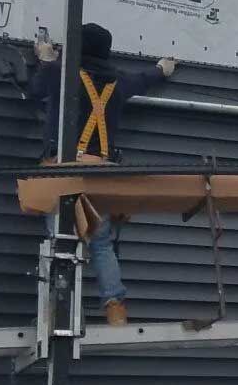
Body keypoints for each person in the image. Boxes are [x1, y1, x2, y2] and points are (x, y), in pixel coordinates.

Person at [27, 22, 177, 325]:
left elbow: (34, 91)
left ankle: (55, 312)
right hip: (102, 172)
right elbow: (145, 79)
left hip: (63, 171)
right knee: (101, 243)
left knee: (60, 240)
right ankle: (115, 308)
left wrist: (44, 58)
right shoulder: (117, 81)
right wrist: (163, 68)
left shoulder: (62, 72)